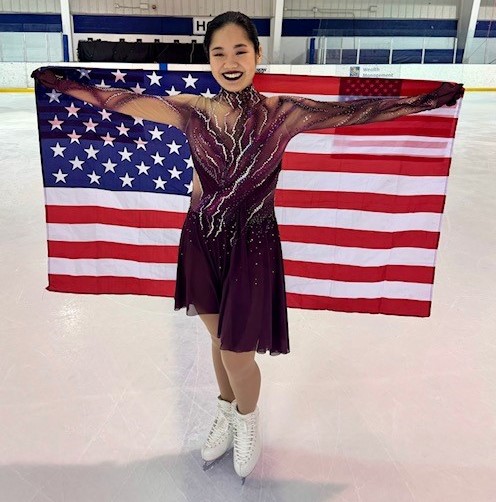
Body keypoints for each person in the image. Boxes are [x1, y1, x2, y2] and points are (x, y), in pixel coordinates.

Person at [32, 10, 464, 484]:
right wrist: (63, 83)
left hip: (252, 246)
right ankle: (227, 408)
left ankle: (247, 419)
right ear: (209, 60)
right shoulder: (191, 108)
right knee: (219, 340)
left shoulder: (285, 111)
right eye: (219, 53)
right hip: (201, 238)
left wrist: (423, 102)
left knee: (237, 352)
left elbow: (358, 112)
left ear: (258, 54)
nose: (230, 61)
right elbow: (126, 102)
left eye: (241, 50)